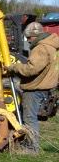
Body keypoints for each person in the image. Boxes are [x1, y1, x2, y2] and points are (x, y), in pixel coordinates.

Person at [5, 22, 59, 152]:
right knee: (30, 116)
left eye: (29, 38)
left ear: (34, 36)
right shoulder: (53, 45)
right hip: (46, 86)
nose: (28, 41)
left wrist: (14, 67)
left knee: (30, 118)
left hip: (35, 88)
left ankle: (31, 148)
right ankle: (27, 142)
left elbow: (31, 69)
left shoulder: (41, 48)